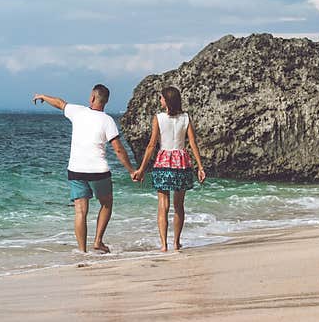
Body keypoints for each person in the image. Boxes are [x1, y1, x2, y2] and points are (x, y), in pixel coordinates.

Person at [33, 84, 137, 254]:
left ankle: (82, 251)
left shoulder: (78, 111)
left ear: (92, 98)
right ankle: (98, 241)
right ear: (106, 101)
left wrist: (43, 96)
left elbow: (59, 103)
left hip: (76, 169)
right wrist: (131, 170)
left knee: (80, 211)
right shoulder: (107, 120)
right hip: (98, 171)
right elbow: (118, 149)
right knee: (106, 203)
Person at [132, 86, 206, 252]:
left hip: (163, 161)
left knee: (162, 205)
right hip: (181, 162)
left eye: (161, 98)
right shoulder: (186, 118)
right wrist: (200, 166)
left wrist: (142, 168)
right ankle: (176, 243)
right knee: (179, 206)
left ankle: (164, 244)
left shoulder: (158, 118)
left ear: (166, 101)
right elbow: (192, 143)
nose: (160, 100)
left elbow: (151, 145)